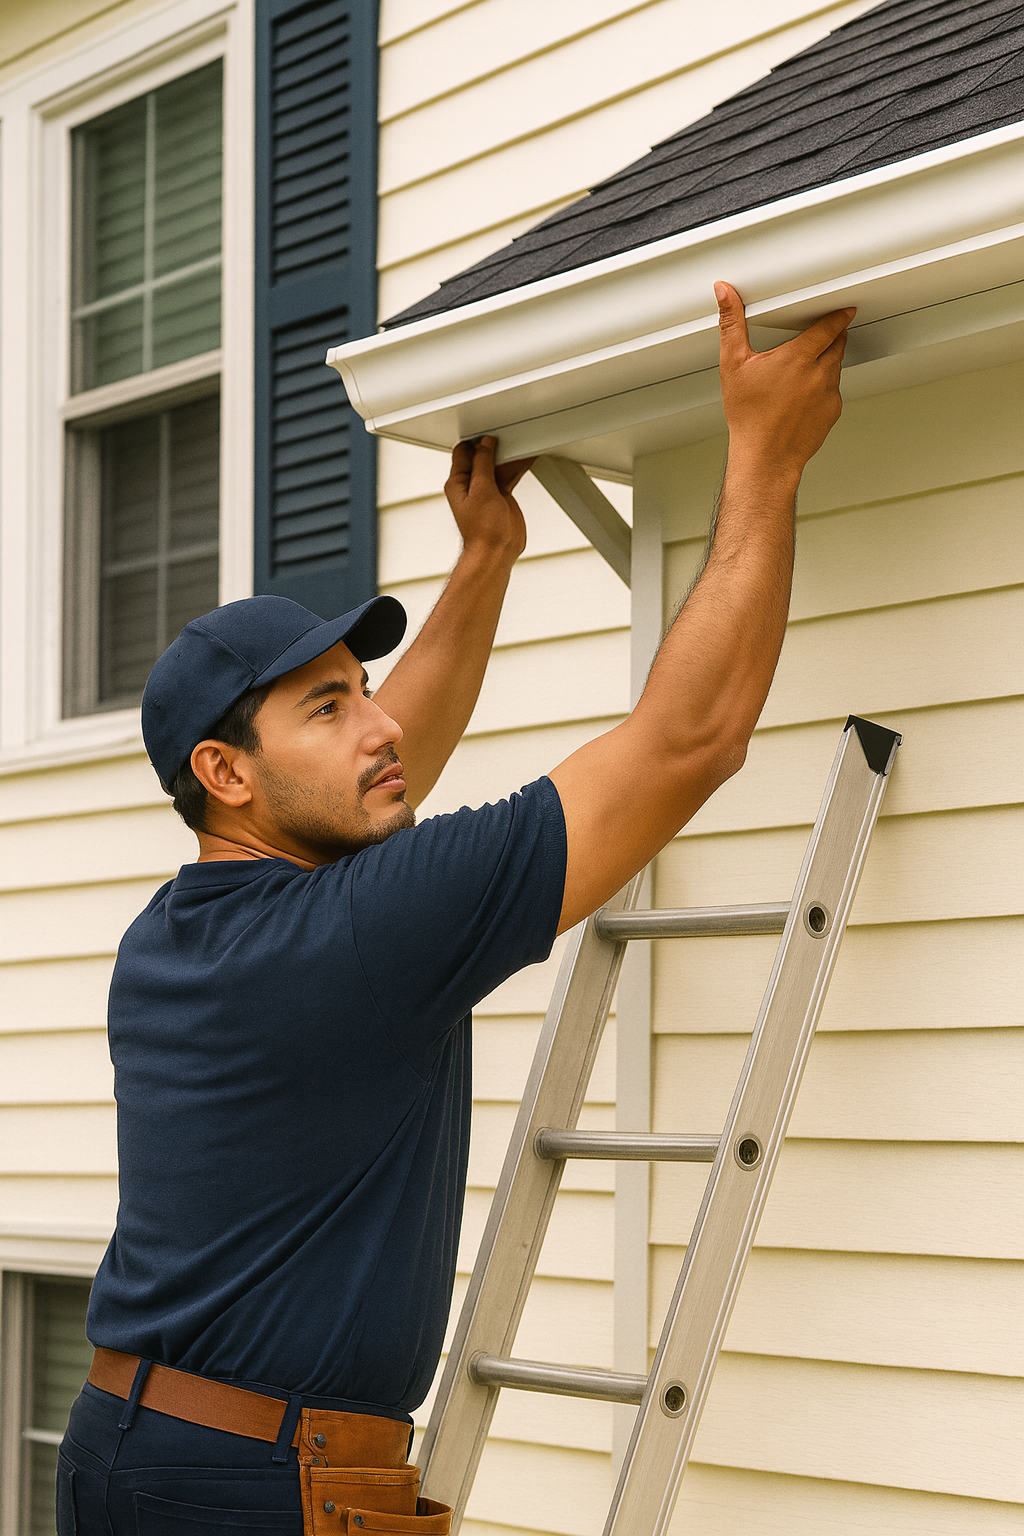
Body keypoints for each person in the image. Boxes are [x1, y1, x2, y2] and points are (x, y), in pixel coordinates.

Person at [57, 283, 852, 1536]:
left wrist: (484, 559)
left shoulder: (188, 923)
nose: (378, 727)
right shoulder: (353, 935)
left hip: (138, 1445)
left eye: (360, 686)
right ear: (225, 776)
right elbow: (689, 739)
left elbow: (372, 771)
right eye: (326, 706)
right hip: (254, 1485)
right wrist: (764, 451)